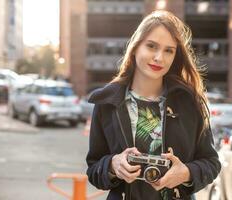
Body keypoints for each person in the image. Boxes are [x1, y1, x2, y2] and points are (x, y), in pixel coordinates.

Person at [86, 10, 221, 200]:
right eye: (151, 46)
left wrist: (186, 173)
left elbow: (211, 163)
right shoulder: (107, 102)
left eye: (169, 50)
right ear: (135, 47)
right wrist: (113, 165)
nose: (159, 57)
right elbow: (94, 169)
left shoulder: (189, 102)